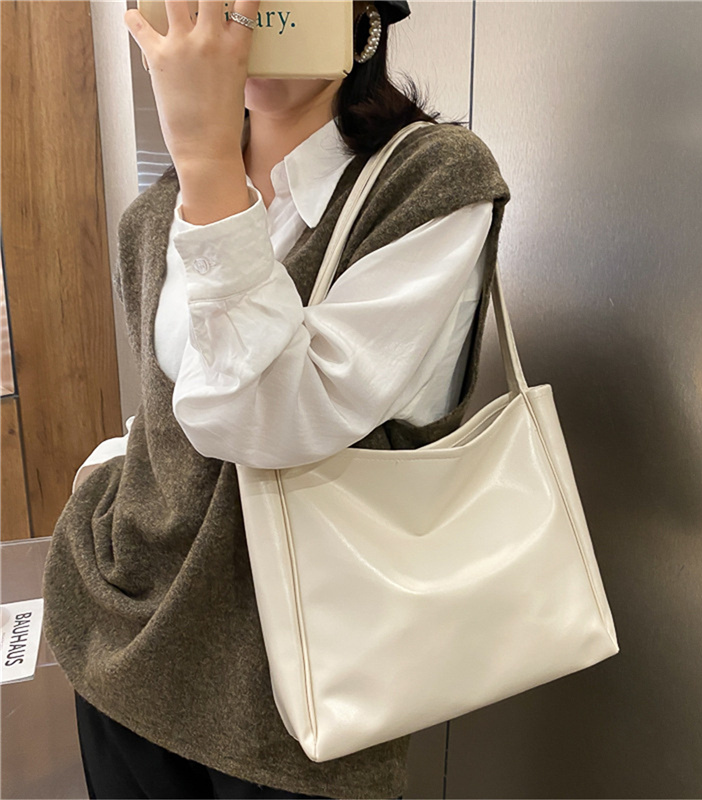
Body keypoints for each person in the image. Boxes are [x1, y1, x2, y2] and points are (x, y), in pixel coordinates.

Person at [41, 1, 511, 798]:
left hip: (304, 696)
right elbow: (169, 412)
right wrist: (111, 467)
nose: (245, 10)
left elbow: (266, 420)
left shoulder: (430, 179)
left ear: (366, 14)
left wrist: (206, 160)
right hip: (123, 647)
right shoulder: (155, 215)